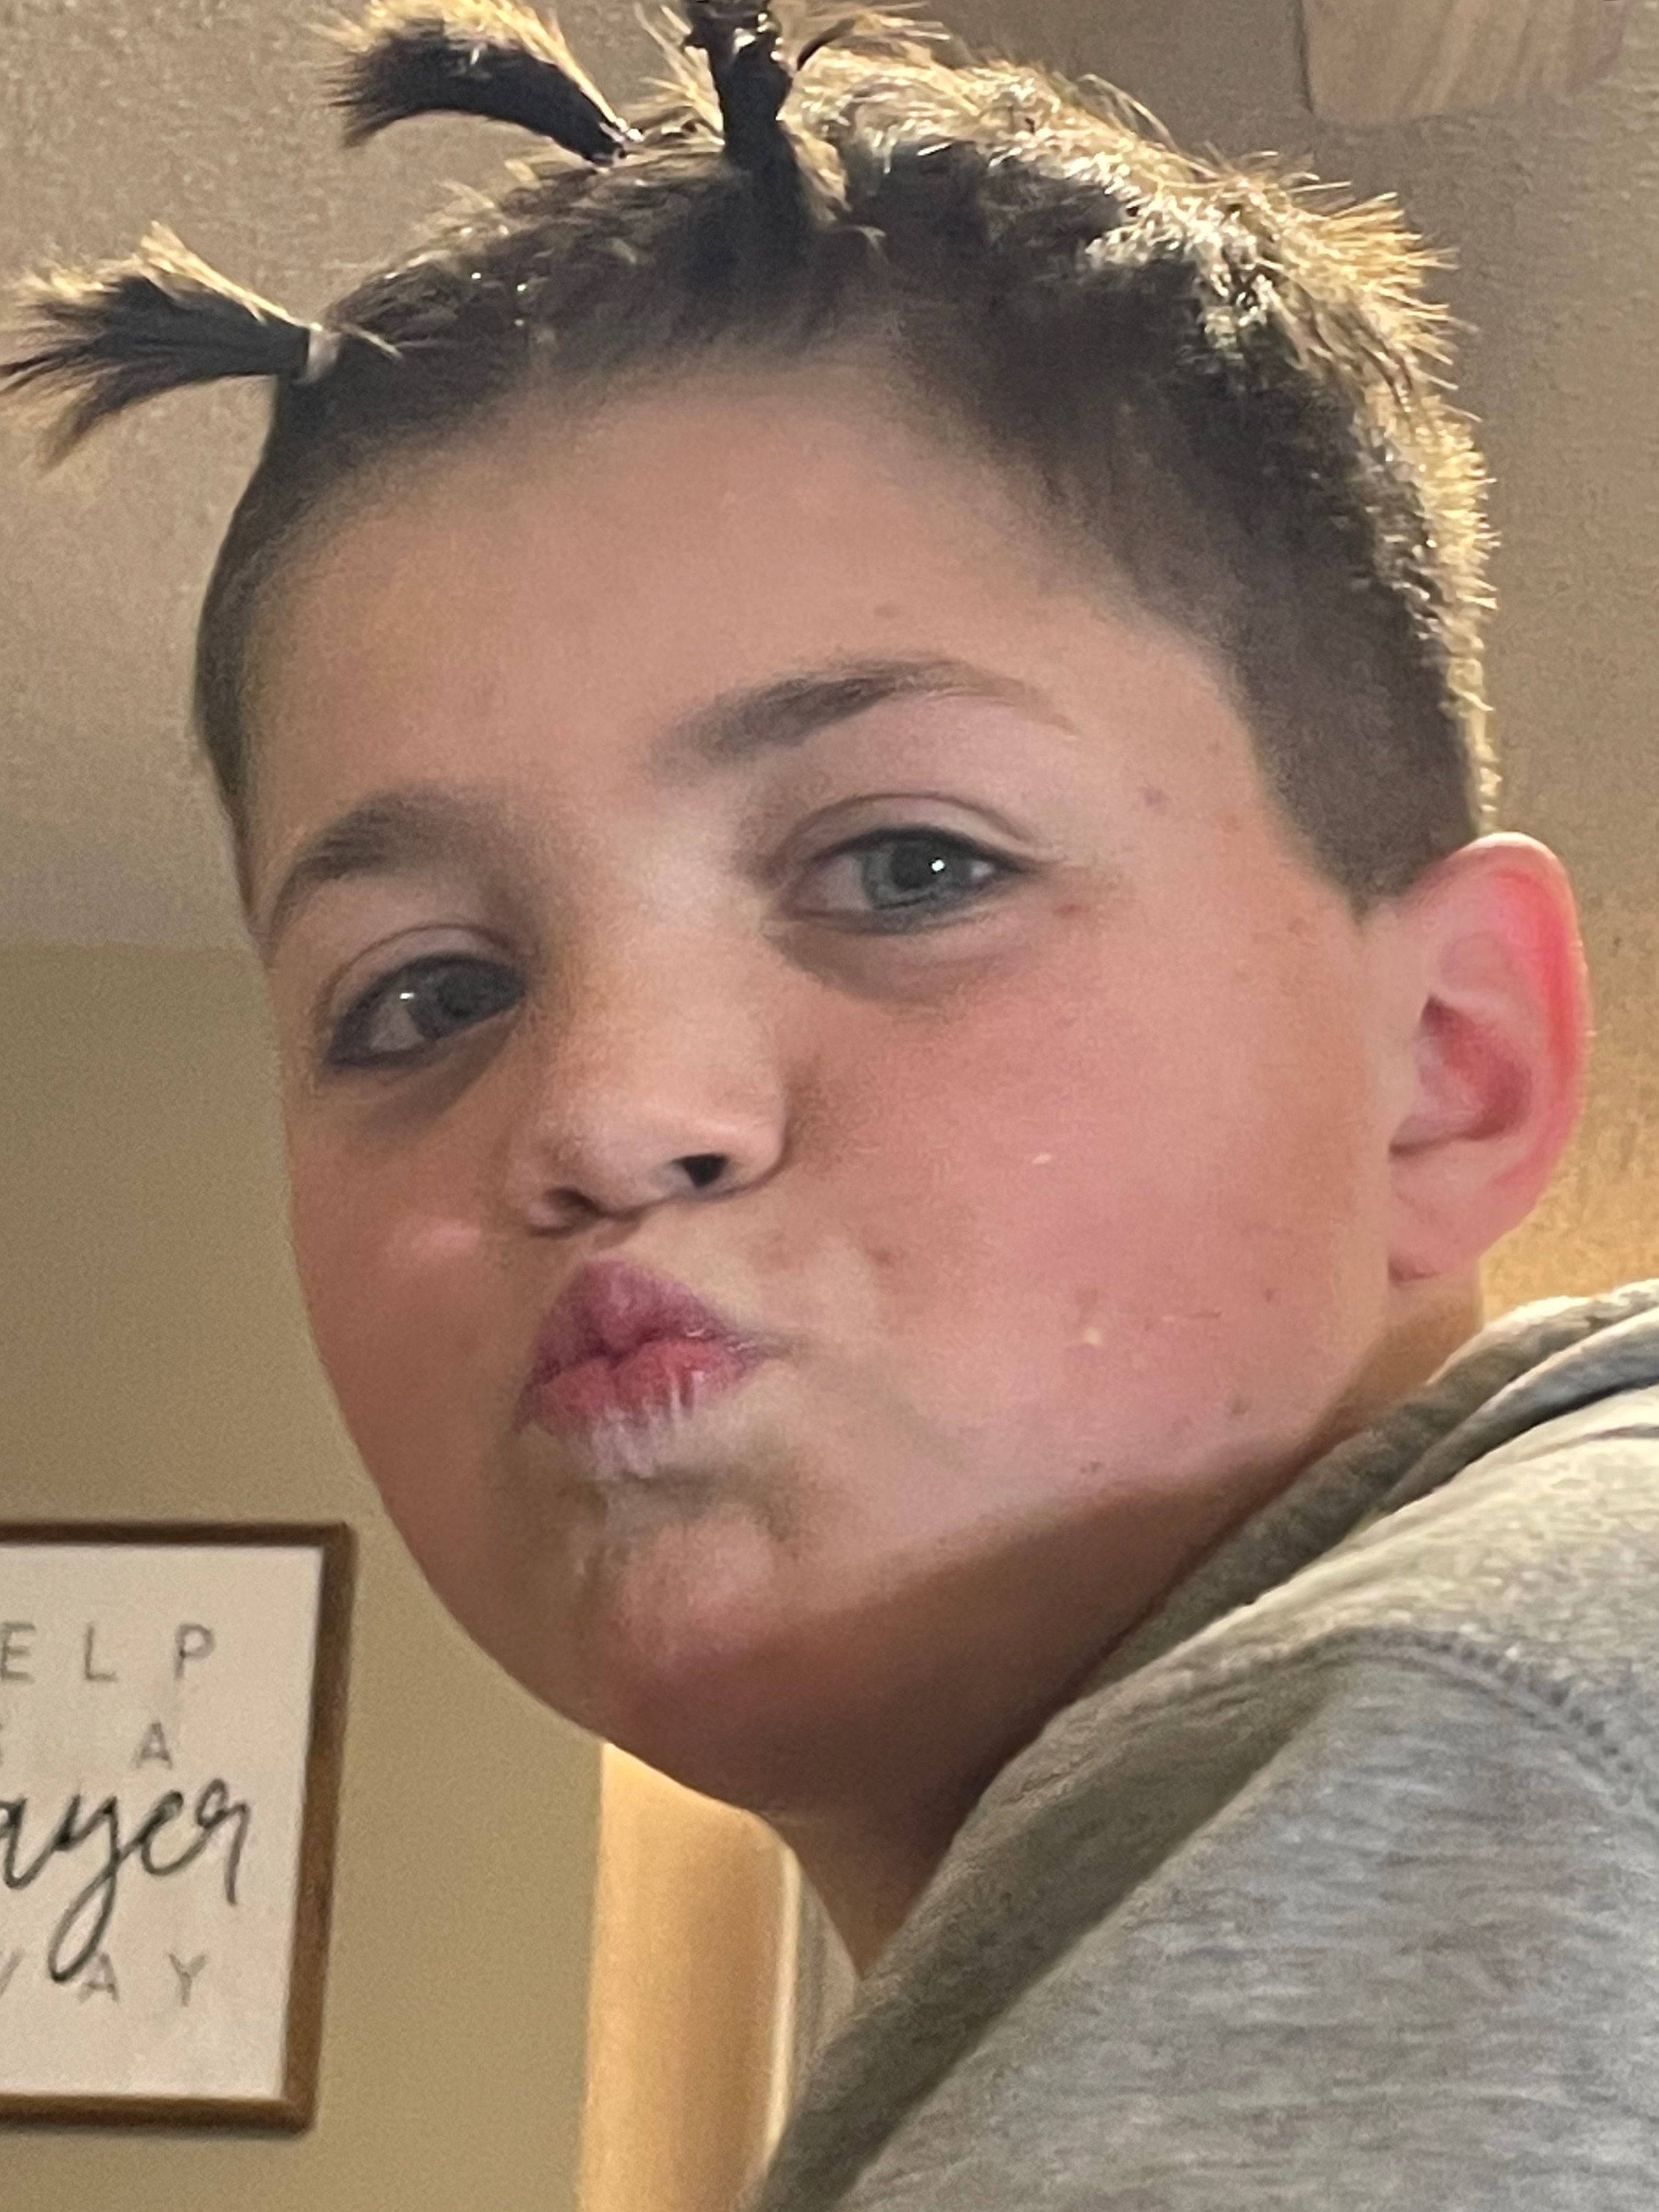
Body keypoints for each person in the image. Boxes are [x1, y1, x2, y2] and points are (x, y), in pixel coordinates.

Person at [6, 3, 1658, 2202]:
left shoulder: (1499, 1703)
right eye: (424, 996)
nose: (608, 1110)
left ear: (1447, 1061)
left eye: (907, 868)